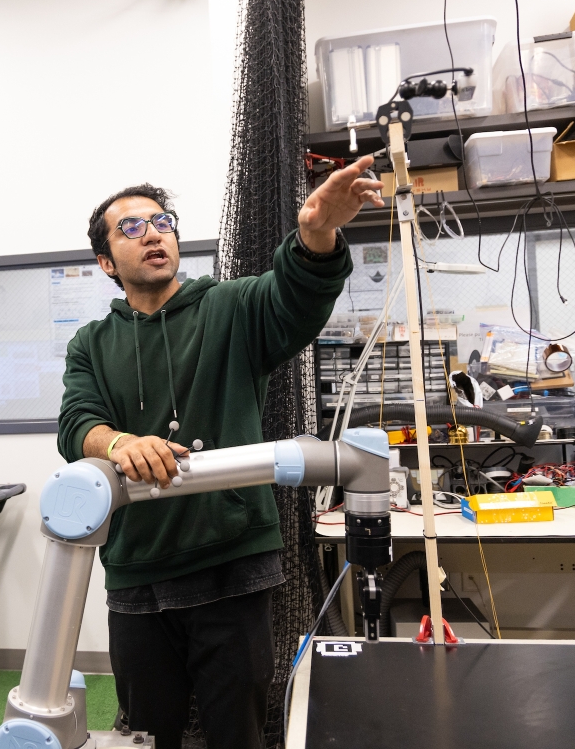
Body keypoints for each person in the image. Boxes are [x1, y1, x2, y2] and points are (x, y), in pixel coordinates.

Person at [57, 156, 383, 748]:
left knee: (238, 734)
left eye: (162, 221)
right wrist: (120, 442)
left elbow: (297, 296)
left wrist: (315, 235)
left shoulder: (231, 308)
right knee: (149, 736)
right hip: (138, 570)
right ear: (106, 262)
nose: (153, 233)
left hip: (231, 562)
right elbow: (76, 423)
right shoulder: (92, 343)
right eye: (131, 227)